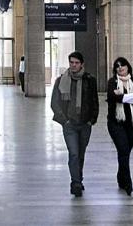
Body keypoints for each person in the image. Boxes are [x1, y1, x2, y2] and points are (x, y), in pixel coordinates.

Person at [50, 51, 99, 198]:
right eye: (71, 62)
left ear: (82, 64)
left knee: (81, 154)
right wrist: (64, 120)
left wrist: (92, 120)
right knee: (74, 153)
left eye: (76, 63)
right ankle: (76, 182)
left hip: (85, 124)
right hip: (70, 124)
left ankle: (78, 178)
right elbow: (54, 102)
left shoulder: (90, 80)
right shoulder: (61, 81)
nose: (73, 65)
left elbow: (94, 102)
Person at [105, 56, 133, 196]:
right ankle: (128, 183)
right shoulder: (112, 82)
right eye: (117, 66)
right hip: (116, 122)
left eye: (123, 65)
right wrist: (130, 97)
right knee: (123, 149)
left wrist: (122, 97)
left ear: (128, 67)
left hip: (132, 123)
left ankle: (121, 177)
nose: (120, 68)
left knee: (125, 152)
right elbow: (111, 97)